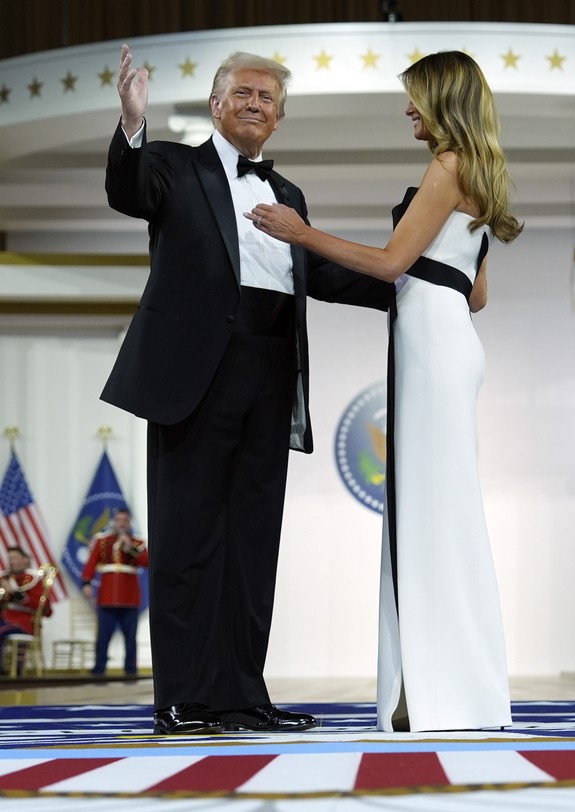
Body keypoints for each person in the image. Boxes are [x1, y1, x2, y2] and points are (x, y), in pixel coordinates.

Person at [101, 44, 393, 735]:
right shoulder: (172, 165)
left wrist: (408, 288)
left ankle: (240, 696)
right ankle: (182, 698)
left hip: (269, 372)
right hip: (194, 374)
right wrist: (132, 121)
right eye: (242, 93)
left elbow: (318, 274)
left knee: (251, 542)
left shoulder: (289, 196)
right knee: (186, 539)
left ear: (280, 117)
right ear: (216, 103)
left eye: (266, 98)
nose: (254, 104)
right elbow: (127, 190)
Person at [246, 51, 523, 732]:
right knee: (438, 513)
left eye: (415, 99)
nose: (408, 111)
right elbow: (477, 294)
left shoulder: (448, 166)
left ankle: (435, 694)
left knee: (426, 517)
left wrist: (300, 233)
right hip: (451, 339)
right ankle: (444, 690)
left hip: (432, 350)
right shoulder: (480, 173)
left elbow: (393, 262)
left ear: (441, 100)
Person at [81, 508, 148, 677]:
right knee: (103, 636)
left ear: (129, 522)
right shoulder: (103, 541)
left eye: (125, 520)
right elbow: (91, 562)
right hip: (107, 597)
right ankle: (99, 668)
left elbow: (146, 562)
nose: (121, 523)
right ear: (114, 521)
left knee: (130, 638)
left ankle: (131, 670)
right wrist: (86, 582)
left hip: (129, 598)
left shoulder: (138, 542)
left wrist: (130, 546)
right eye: (118, 520)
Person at [0, 547, 53, 669]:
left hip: (23, 622)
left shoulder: (33, 579)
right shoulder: (6, 578)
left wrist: (15, 593)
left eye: (14, 558)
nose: (11, 561)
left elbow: (43, 607)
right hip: (5, 619)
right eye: (9, 558)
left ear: (25, 560)